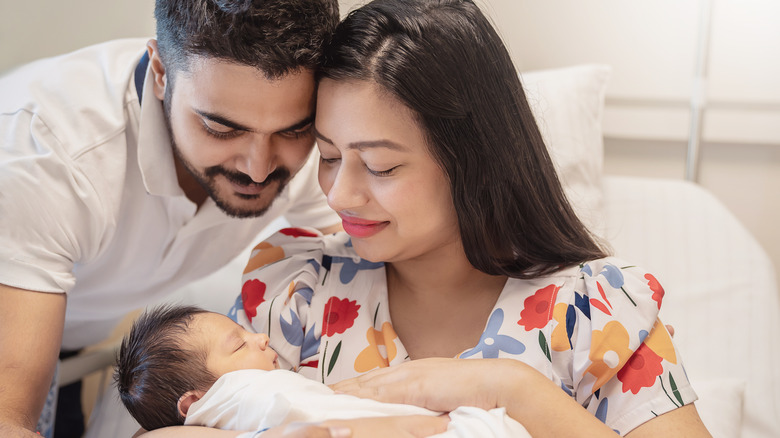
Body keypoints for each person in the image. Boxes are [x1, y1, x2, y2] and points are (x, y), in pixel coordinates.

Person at [224, 0, 714, 437]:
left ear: (471, 161)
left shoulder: (595, 313)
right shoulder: (294, 291)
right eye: (328, 157)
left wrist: (512, 390)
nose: (340, 194)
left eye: (380, 167)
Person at [0, 1, 343, 437]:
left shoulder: (319, 151)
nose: (258, 169)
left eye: (293, 130)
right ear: (160, 73)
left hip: (72, 334)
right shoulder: (50, 160)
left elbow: (385, 272)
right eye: (221, 129)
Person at [116, 304, 527, 438]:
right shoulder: (246, 394)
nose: (261, 337)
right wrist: (437, 424)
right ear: (195, 402)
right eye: (239, 343)